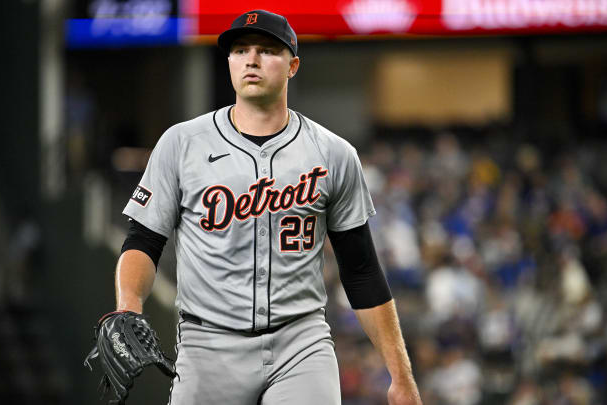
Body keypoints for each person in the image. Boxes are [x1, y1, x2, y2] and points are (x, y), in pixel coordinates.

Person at [114, 9, 422, 405]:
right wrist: (128, 306)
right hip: (209, 343)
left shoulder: (333, 153)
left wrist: (400, 374)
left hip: (301, 343)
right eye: (240, 50)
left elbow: (361, 269)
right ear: (228, 62)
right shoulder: (182, 143)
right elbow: (143, 240)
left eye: (266, 50)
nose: (252, 60)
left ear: (293, 65)